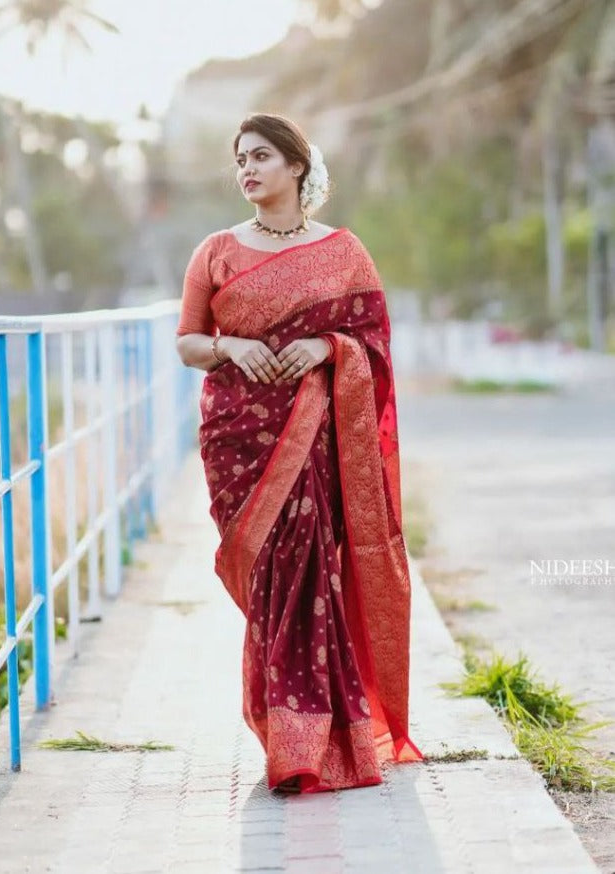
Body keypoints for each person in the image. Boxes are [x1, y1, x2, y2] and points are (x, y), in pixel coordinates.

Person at [175, 112, 423, 794]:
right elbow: (188, 341)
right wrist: (232, 345)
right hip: (238, 440)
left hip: (317, 437)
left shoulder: (344, 252)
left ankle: (303, 746)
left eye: (261, 157)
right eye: (240, 160)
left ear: (296, 167)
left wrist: (328, 347)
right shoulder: (216, 251)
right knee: (272, 586)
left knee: (308, 578)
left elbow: (372, 345)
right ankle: (294, 729)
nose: (247, 170)